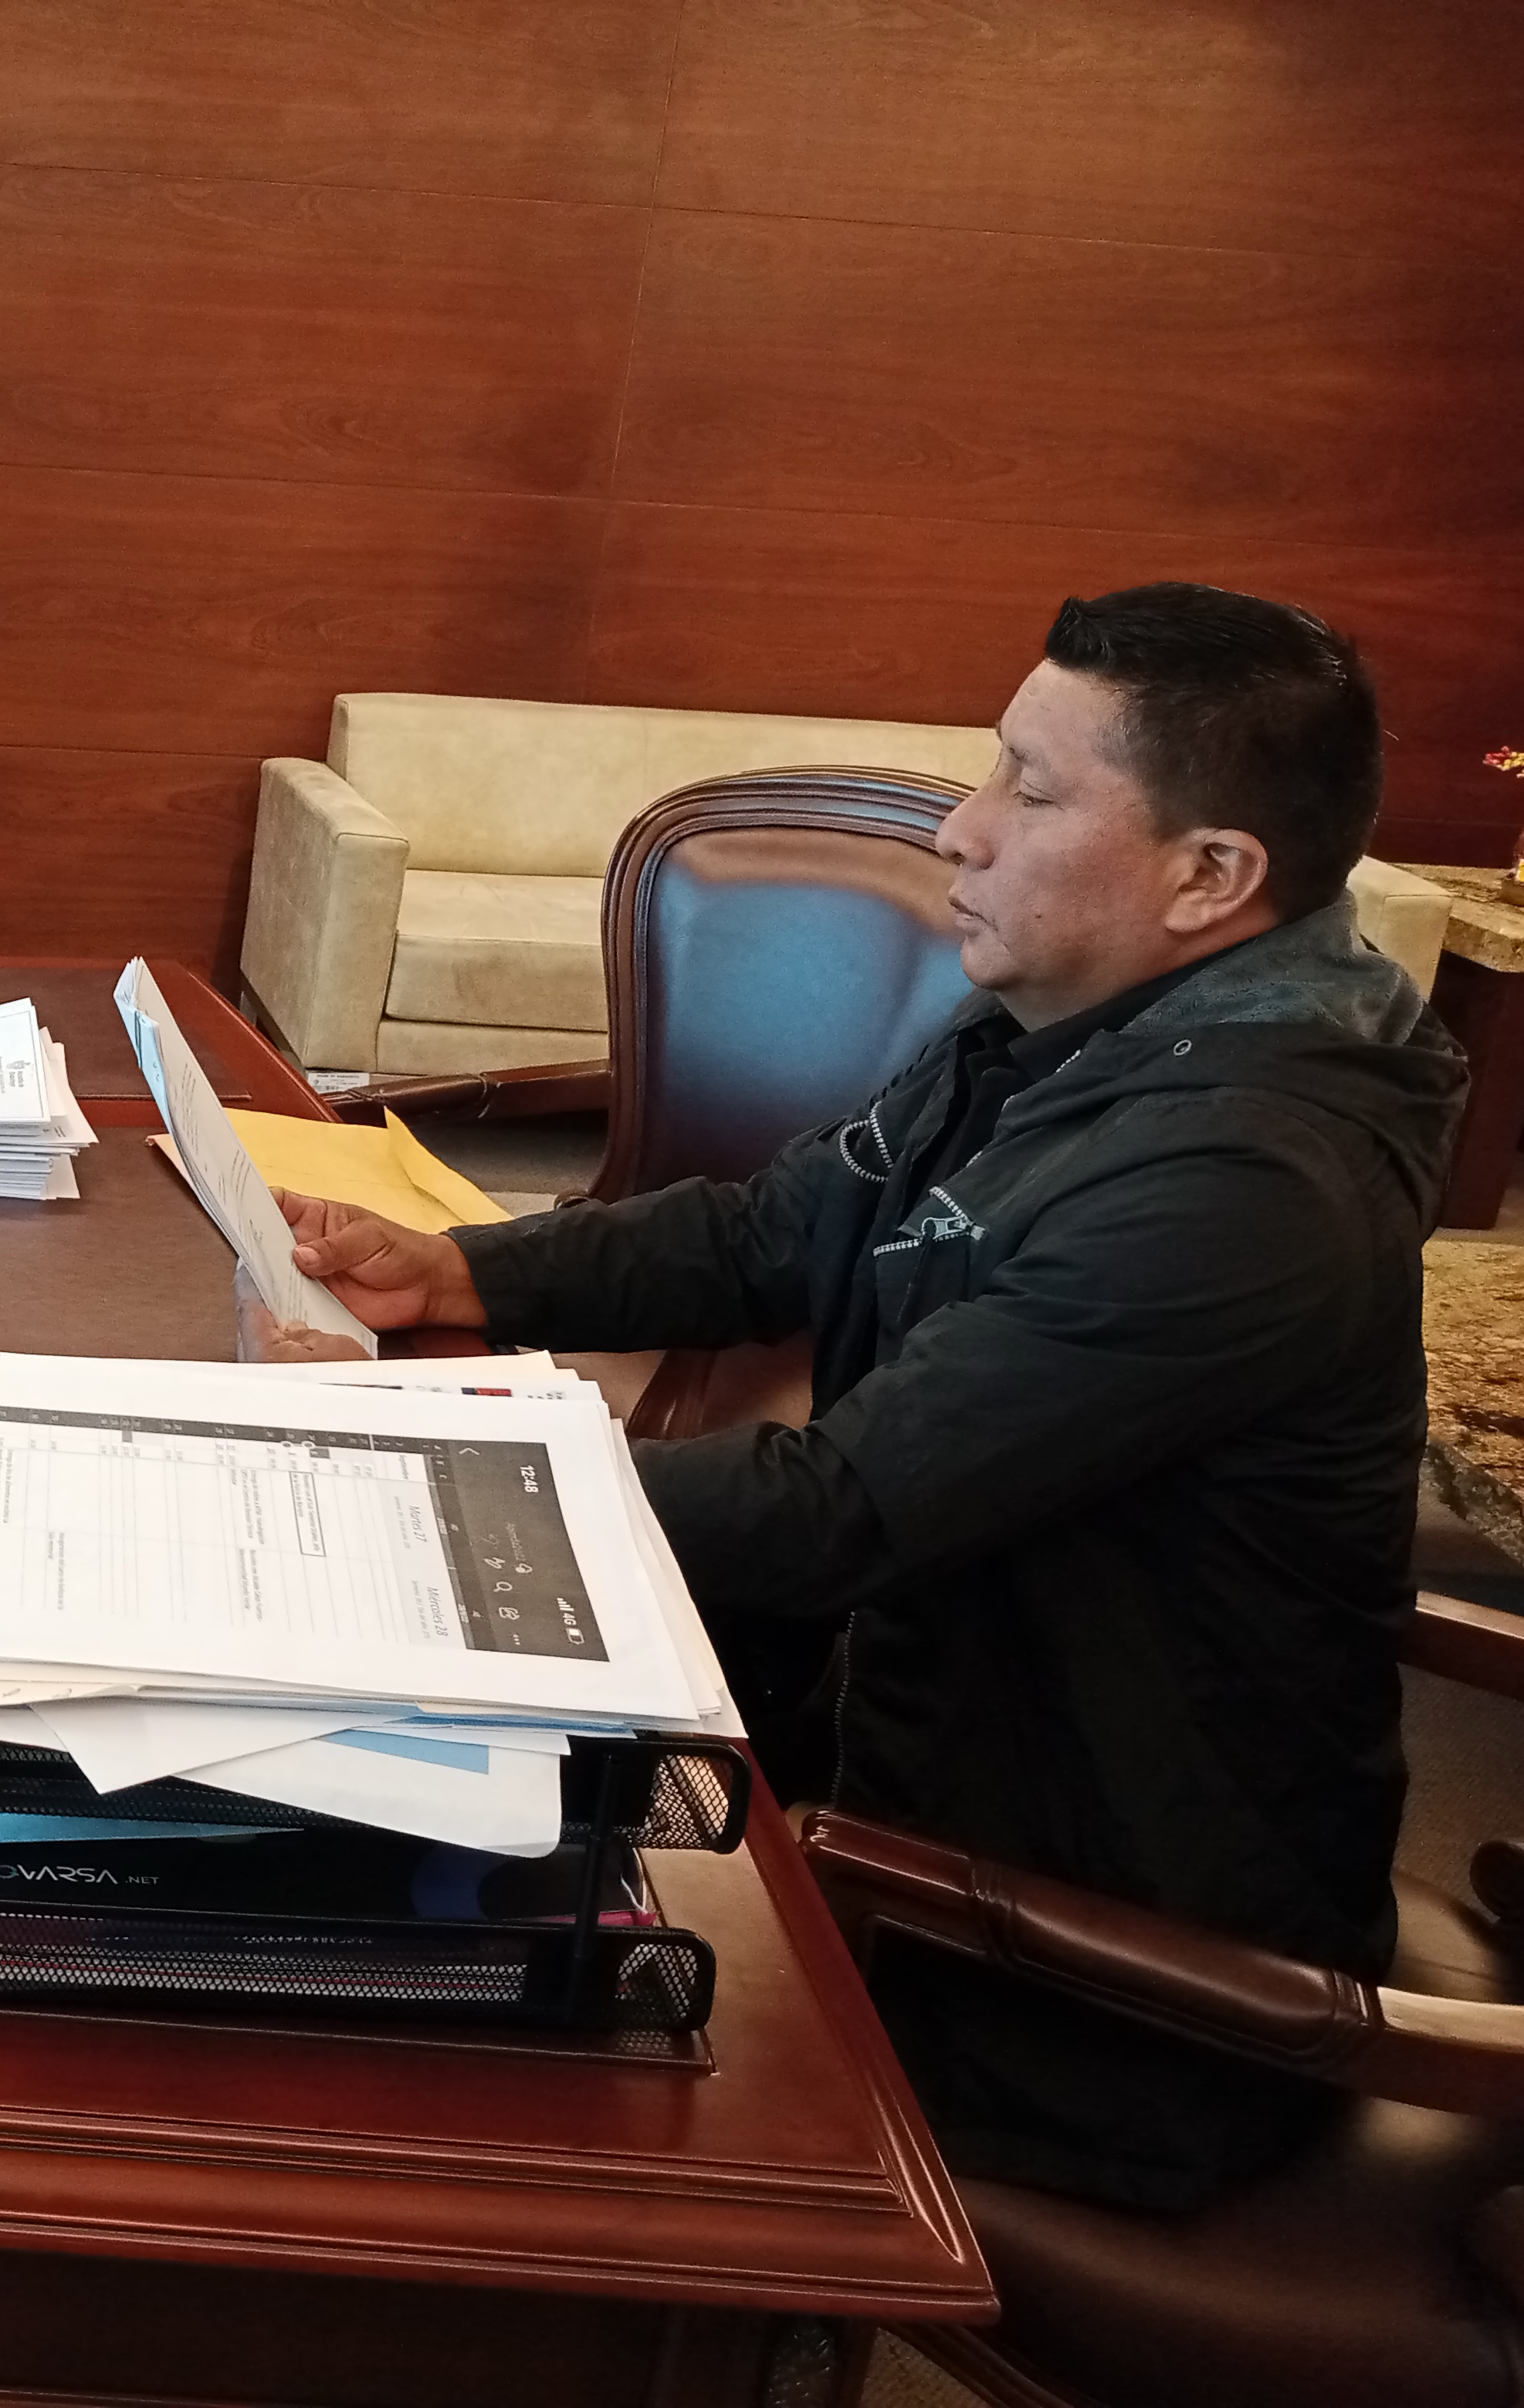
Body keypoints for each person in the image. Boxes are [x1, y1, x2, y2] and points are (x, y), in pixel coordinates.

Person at [266, 583, 1465, 2209]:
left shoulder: (1249, 1182)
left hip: (1082, 1980)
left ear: (1210, 876)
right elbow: (778, 1228)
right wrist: (460, 1276)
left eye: (1034, 792)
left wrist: (388, 1461)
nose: (963, 830)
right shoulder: (1067, 1028)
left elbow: (834, 1511)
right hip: (891, 1765)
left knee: (352, 2027)